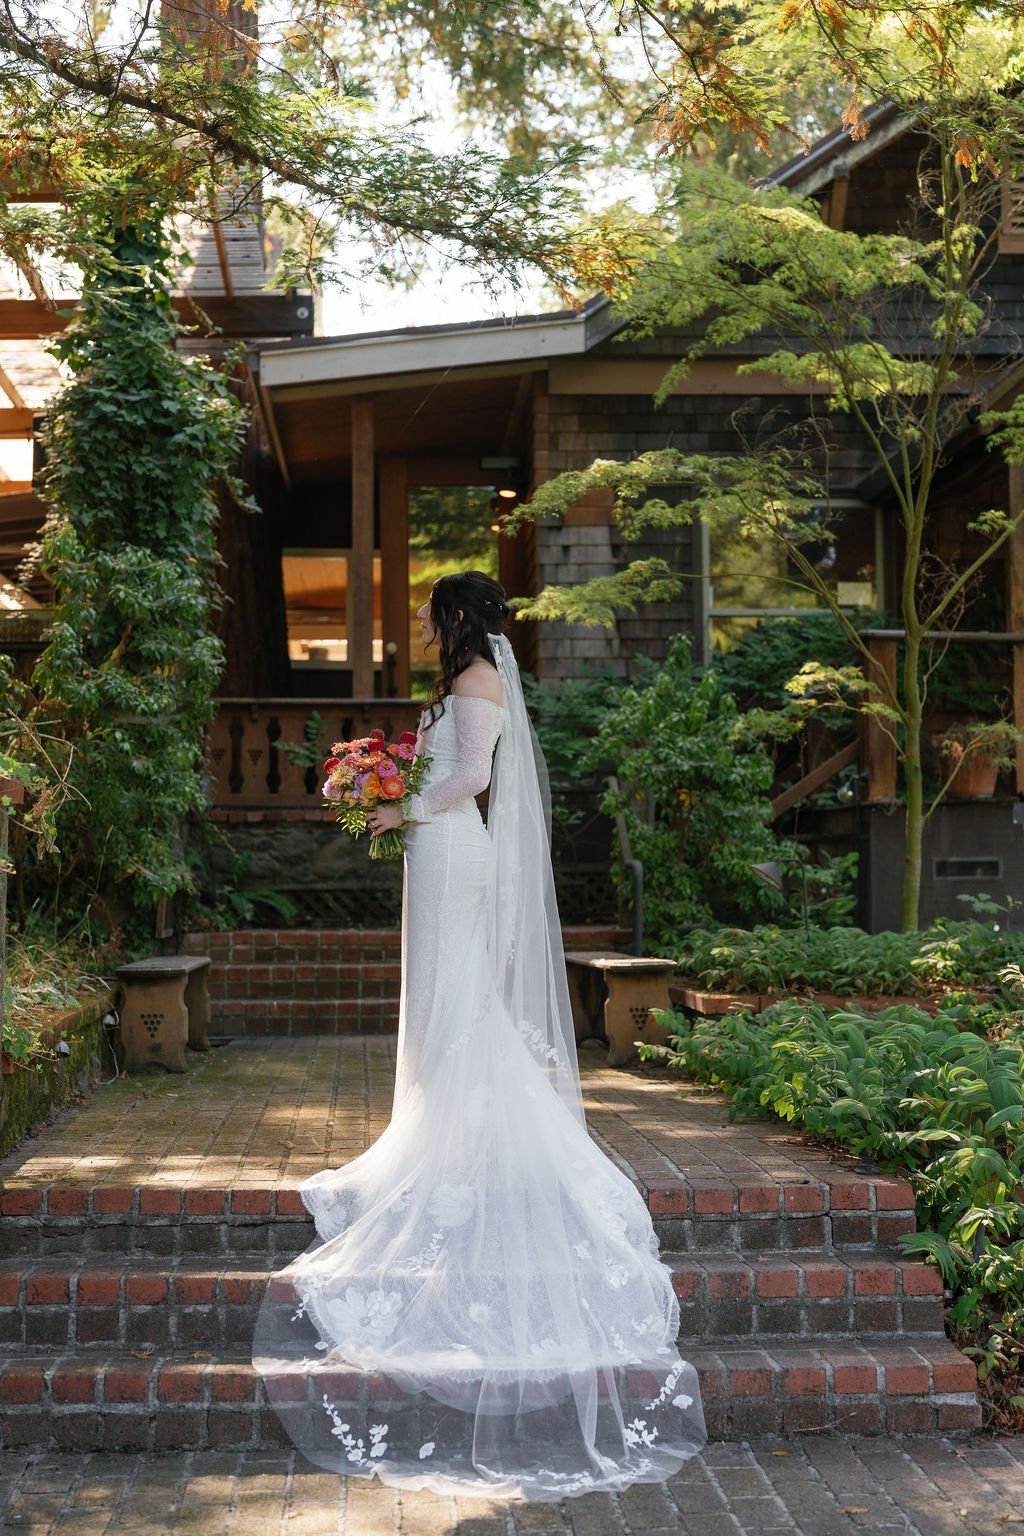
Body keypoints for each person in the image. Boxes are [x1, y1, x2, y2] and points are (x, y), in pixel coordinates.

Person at [253, 570, 706, 1501]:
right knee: (443, 1004)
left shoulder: (477, 686)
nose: (422, 620)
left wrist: (397, 805)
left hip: (456, 854)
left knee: (464, 1007)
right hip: (439, 854)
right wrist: (387, 788)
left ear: (458, 616)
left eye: (430, 609)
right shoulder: (458, 685)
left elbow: (470, 779)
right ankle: (439, 1123)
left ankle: (466, 1137)